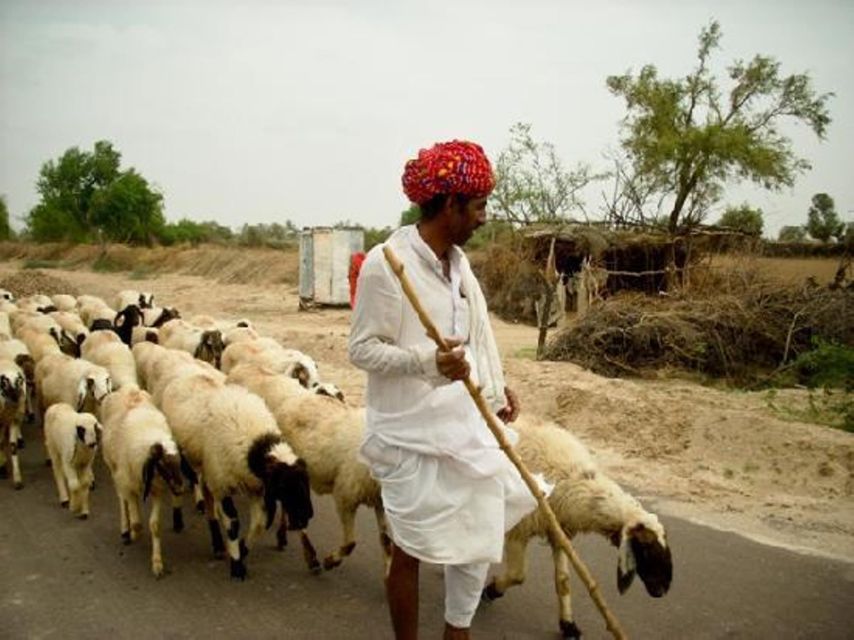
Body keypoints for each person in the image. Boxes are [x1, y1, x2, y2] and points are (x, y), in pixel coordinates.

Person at [349, 140, 545, 639]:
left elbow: (479, 334)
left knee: (477, 537)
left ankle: (457, 632)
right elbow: (362, 350)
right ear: (450, 204)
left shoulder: (460, 266)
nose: (484, 217)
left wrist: (498, 389)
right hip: (408, 433)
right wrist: (427, 362)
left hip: (464, 425)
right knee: (410, 548)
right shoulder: (386, 264)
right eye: (478, 206)